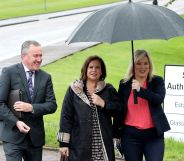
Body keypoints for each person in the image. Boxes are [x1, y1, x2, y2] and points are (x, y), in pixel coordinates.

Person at [0, 40, 57, 161]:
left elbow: (52, 105)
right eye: (35, 56)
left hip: (35, 139)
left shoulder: (46, 77)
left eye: (41, 55)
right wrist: (16, 122)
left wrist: (31, 107)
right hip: (12, 136)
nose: (39, 59)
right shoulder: (8, 73)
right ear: (23, 56)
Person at [57, 55, 121, 161]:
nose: (94, 70)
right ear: (85, 70)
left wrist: (104, 104)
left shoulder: (108, 90)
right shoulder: (74, 90)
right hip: (79, 145)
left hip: (102, 145)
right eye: (90, 67)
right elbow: (66, 116)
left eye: (97, 67)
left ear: (102, 71)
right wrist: (63, 144)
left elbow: (119, 110)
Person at [113, 49, 170, 161]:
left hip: (154, 136)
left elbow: (158, 99)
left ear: (150, 65)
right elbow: (119, 110)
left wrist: (140, 90)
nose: (142, 67)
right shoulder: (124, 84)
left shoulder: (157, 81)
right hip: (130, 136)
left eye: (145, 63)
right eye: (138, 63)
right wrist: (115, 134)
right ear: (133, 66)